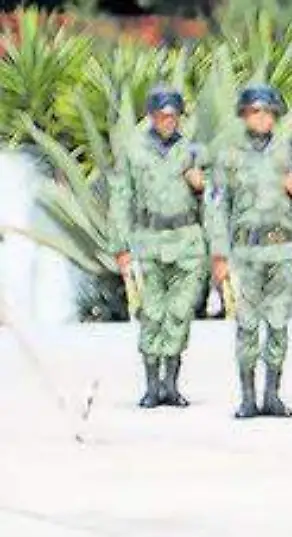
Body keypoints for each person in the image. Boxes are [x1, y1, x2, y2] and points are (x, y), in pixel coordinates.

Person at [207, 82, 292, 419]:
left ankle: (272, 395)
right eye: (254, 112)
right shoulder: (229, 156)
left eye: (266, 111)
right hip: (246, 253)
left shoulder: (290, 152)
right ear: (244, 115)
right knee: (247, 325)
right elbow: (217, 206)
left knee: (278, 324)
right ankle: (248, 397)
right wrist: (219, 255)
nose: (261, 118)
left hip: (282, 250)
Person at [109, 85, 208, 409]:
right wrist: (120, 246)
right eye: (162, 116)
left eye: (173, 116)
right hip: (150, 240)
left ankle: (171, 384)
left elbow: (218, 200)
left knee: (179, 313)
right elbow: (121, 198)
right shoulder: (135, 151)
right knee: (152, 313)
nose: (168, 121)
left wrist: (202, 187)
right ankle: (152, 385)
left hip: (186, 240)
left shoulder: (193, 152)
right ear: (151, 117)